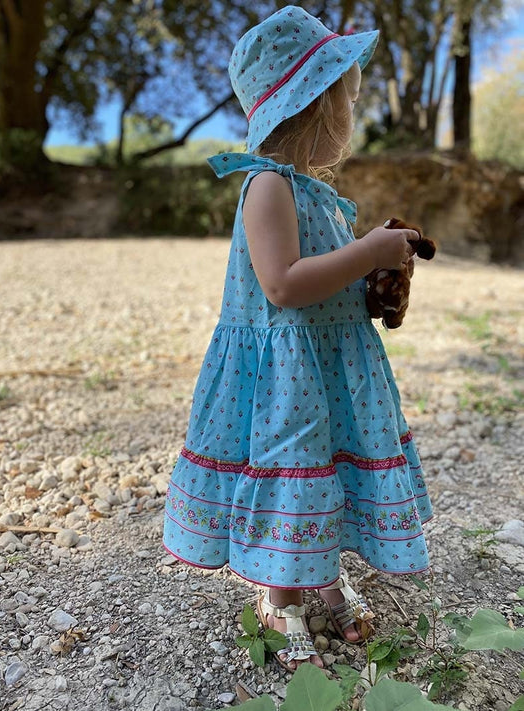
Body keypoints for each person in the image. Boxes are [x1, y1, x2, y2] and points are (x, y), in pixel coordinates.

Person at [163, 5, 432, 671]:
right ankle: (278, 592)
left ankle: (319, 570)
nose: (352, 115)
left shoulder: (318, 197)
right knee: (293, 466)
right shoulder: (266, 187)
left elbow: (326, 284)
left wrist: (374, 280)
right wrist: (366, 249)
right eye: (348, 100)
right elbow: (282, 285)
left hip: (329, 365)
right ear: (313, 104)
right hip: (286, 376)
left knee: (329, 467)